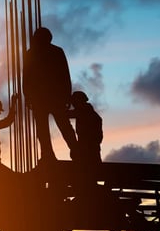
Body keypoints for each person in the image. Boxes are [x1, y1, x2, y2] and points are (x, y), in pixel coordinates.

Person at [23, 27, 77, 162]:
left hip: (49, 97)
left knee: (57, 126)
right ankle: (51, 154)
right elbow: (27, 77)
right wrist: (28, 96)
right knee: (50, 127)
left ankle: (72, 151)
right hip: (47, 97)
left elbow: (64, 74)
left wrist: (28, 96)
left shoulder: (34, 53)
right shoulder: (50, 52)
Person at [69, 91, 103, 165]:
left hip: (89, 148)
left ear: (79, 101)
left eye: (74, 102)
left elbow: (67, 114)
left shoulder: (84, 112)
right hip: (91, 147)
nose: (73, 104)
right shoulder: (89, 112)